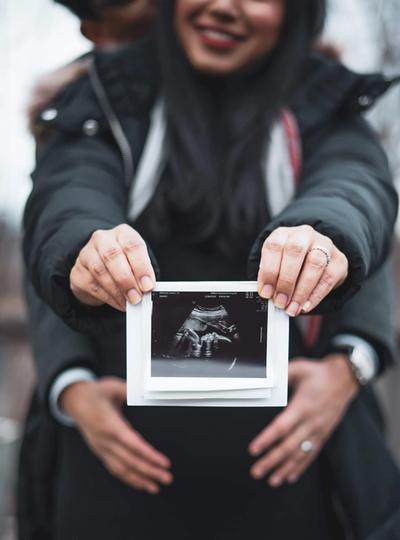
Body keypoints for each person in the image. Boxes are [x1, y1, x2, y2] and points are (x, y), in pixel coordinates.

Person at [22, 1, 399, 539]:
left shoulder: (331, 105)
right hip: (108, 489)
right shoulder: (99, 98)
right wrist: (71, 387)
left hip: (295, 489)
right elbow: (66, 196)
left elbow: (356, 189)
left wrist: (348, 365)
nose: (224, 6)